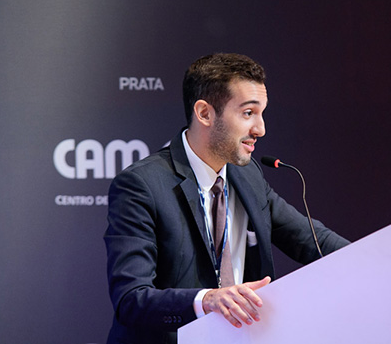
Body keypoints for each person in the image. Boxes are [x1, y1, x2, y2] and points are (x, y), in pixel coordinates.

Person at [104, 53, 350, 344]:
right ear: (205, 113)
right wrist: (207, 300)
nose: (260, 129)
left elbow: (312, 241)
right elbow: (131, 300)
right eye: (248, 113)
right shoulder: (142, 184)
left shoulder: (247, 175)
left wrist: (378, 258)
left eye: (262, 113)